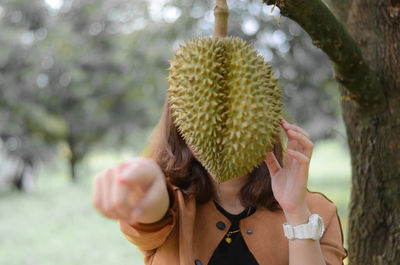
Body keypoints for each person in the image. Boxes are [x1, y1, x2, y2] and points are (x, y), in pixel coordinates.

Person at [92, 95, 348, 265]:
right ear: (180, 128)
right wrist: (144, 178)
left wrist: (295, 211)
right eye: (205, 112)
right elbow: (152, 207)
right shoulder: (171, 206)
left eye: (237, 112)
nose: (220, 129)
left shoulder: (316, 213)